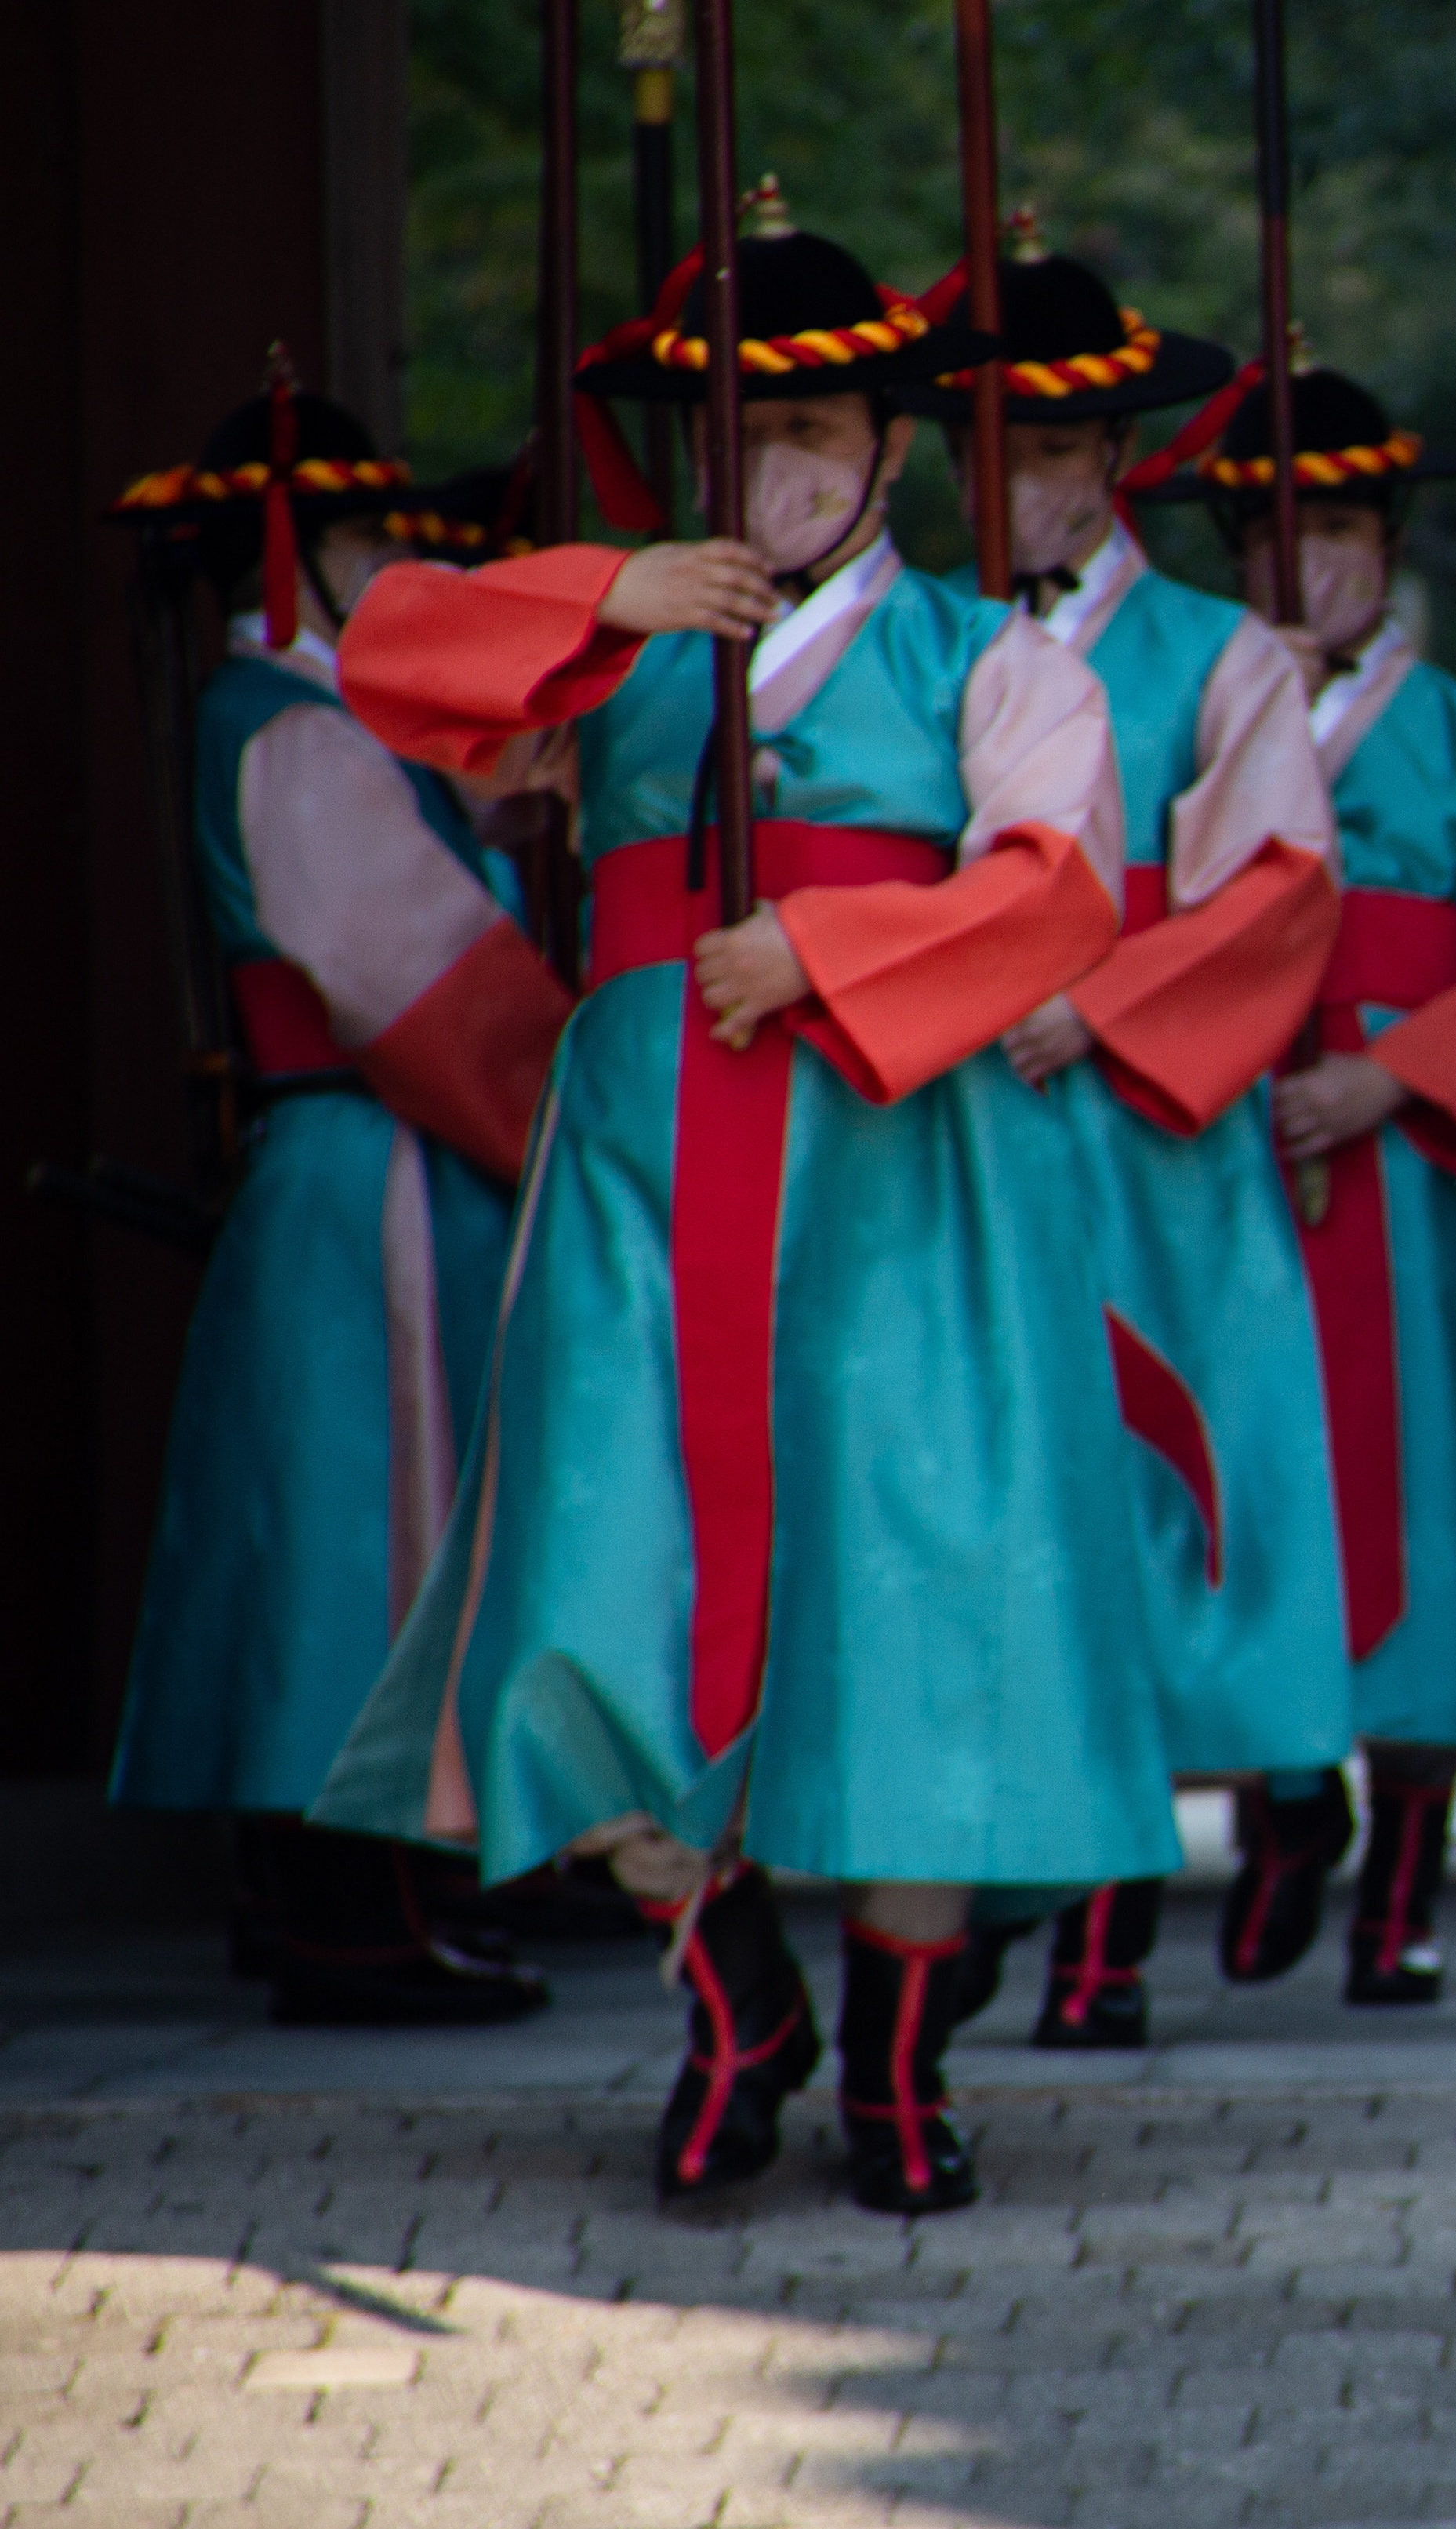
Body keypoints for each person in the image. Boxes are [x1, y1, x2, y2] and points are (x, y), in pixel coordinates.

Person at [309, 200, 1159, 2215]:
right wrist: (607, 587)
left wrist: (838, 952)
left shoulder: (988, 654)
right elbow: (387, 660)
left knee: (915, 1604)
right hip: (640, 1163)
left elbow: (1059, 886)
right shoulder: (613, 647)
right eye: (734, 424)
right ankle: (737, 1993)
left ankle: (884, 2064)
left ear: (886, 445)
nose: (777, 464)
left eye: (817, 422)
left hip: (904, 1175)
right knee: (587, 1595)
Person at [917, 217, 1352, 2052]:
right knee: (996, 1505)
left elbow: (1277, 890)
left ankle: (1144, 1889)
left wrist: (1087, 1001)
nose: (1025, 485)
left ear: (1113, 463)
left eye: (1060, 451)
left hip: (1146, 1135)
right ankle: (1010, 1887)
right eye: (992, 451)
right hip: (964, 1130)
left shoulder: (1222, 657)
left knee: (1163, 1497)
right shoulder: (921, 647)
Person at [102, 378, 572, 2027]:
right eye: (372, 535)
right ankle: (348, 1910)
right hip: (370, 1155)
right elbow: (409, 971)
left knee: (350, 1534)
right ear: (299, 556)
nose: (399, 563)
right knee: (361, 1549)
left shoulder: (311, 719)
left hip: (364, 1161)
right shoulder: (294, 727)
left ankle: (358, 1893)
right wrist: (580, 1122)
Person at [1151, 366, 1456, 2007]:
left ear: (1385, 537)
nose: (1300, 562)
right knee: (1257, 1483)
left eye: (1331, 527)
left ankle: (1404, 1875)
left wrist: (1391, 1074)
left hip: (1431, 1189)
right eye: (1267, 530)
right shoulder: (1179, 724)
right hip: (1238, 1152)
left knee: (1432, 1501)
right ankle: (1286, 1800)